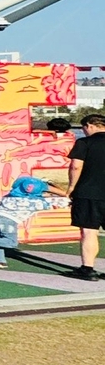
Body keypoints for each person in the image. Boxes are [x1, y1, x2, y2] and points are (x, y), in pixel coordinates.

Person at [66, 112, 105, 279]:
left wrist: (71, 187)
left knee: (89, 232)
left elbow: (76, 166)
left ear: (89, 125)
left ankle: (88, 269)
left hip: (89, 192)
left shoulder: (84, 143)